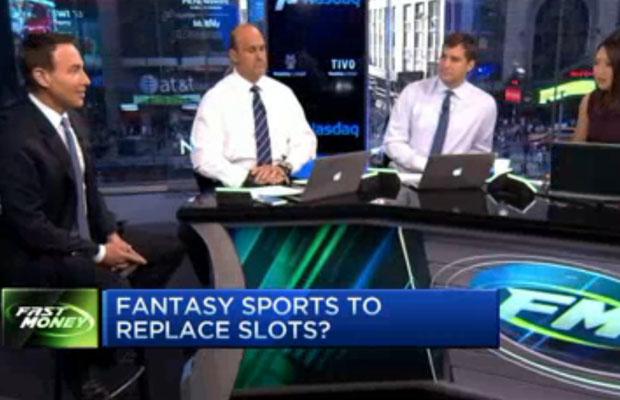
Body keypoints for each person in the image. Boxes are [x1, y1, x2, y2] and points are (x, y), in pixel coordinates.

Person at [0, 32, 185, 398]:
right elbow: (29, 225)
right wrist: (99, 254)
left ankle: (106, 341)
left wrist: (111, 234)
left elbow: (90, 192)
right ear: (42, 76)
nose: (86, 79)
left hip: (82, 238)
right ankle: (80, 367)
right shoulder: (14, 136)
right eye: (74, 70)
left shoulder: (73, 121)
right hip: (37, 254)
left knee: (169, 248)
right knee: (111, 285)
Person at [190, 23, 317, 187]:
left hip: (282, 183)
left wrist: (284, 167)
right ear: (234, 56)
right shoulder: (215, 99)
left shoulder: (283, 93)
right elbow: (203, 157)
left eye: (262, 49)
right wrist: (248, 177)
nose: (260, 57)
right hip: (239, 187)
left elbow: (305, 141)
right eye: (251, 50)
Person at [383, 32, 497, 173]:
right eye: (443, 57)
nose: (446, 64)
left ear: (470, 65)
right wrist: (425, 166)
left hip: (454, 182)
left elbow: (480, 153)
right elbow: (393, 142)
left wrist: (455, 172)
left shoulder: (484, 105)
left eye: (454, 60)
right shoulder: (412, 93)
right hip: (409, 179)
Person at [573, 31, 620, 142]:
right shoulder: (589, 101)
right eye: (596, 63)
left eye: (608, 65)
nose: (600, 71)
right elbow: (577, 147)